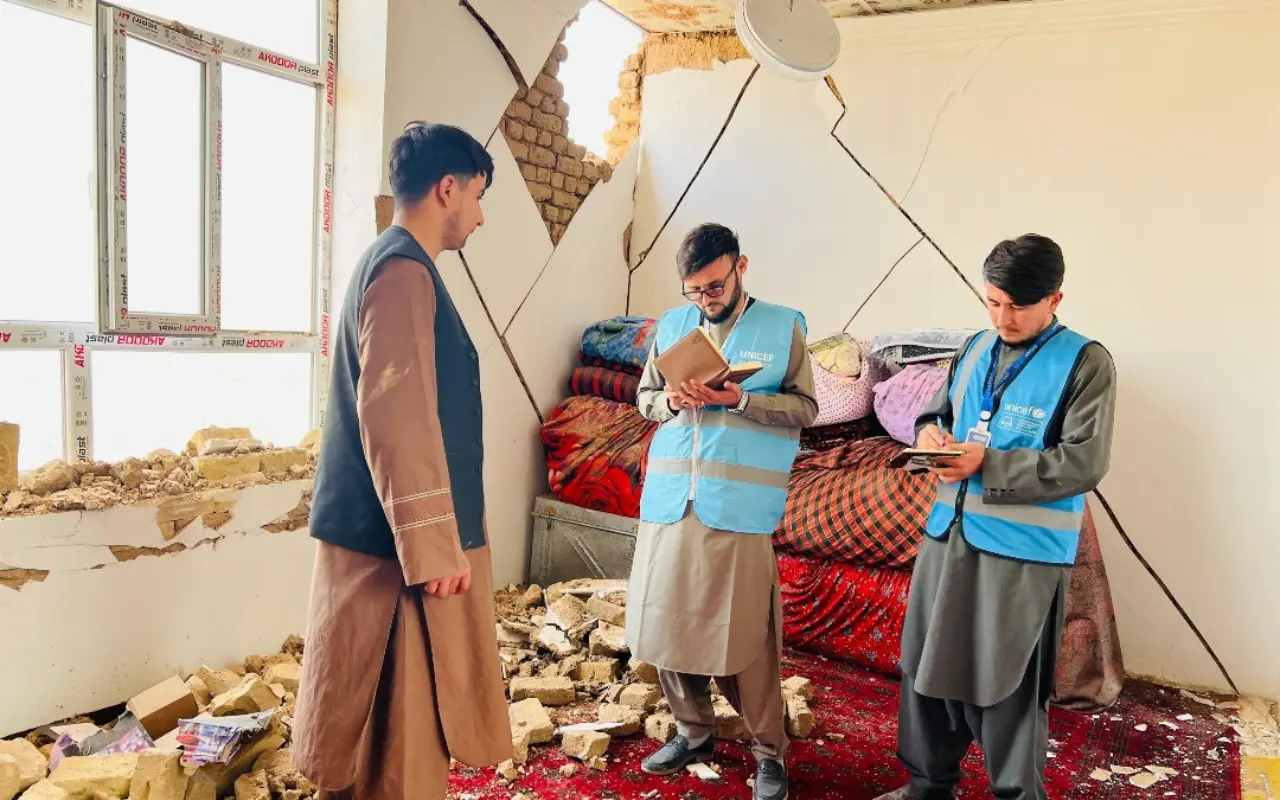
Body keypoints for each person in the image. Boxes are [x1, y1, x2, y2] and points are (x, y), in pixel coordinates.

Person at [292, 121, 511, 800]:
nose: (479, 215)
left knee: (384, 723)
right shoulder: (403, 272)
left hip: (390, 544)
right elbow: (394, 415)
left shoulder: (391, 262)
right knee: (395, 733)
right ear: (448, 188)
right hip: (396, 555)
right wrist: (434, 546)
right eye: (476, 195)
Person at [874, 234, 1118, 800]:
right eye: (992, 302)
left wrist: (987, 462)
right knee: (924, 668)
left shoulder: (1086, 362)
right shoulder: (975, 348)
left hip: (1023, 552)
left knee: (1005, 683)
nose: (1002, 317)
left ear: (1055, 300)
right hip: (948, 535)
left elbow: (1083, 463)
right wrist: (929, 433)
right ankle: (927, 785)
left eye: (1018, 306)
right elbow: (936, 412)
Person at [628, 223, 818, 800]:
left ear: (741, 267)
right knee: (664, 622)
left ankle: (769, 753)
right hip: (669, 500)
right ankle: (693, 731)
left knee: (746, 637)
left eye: (714, 286)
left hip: (738, 505)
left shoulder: (783, 325)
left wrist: (741, 398)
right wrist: (672, 399)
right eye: (695, 291)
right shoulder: (674, 324)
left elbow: (807, 408)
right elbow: (645, 398)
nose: (705, 300)